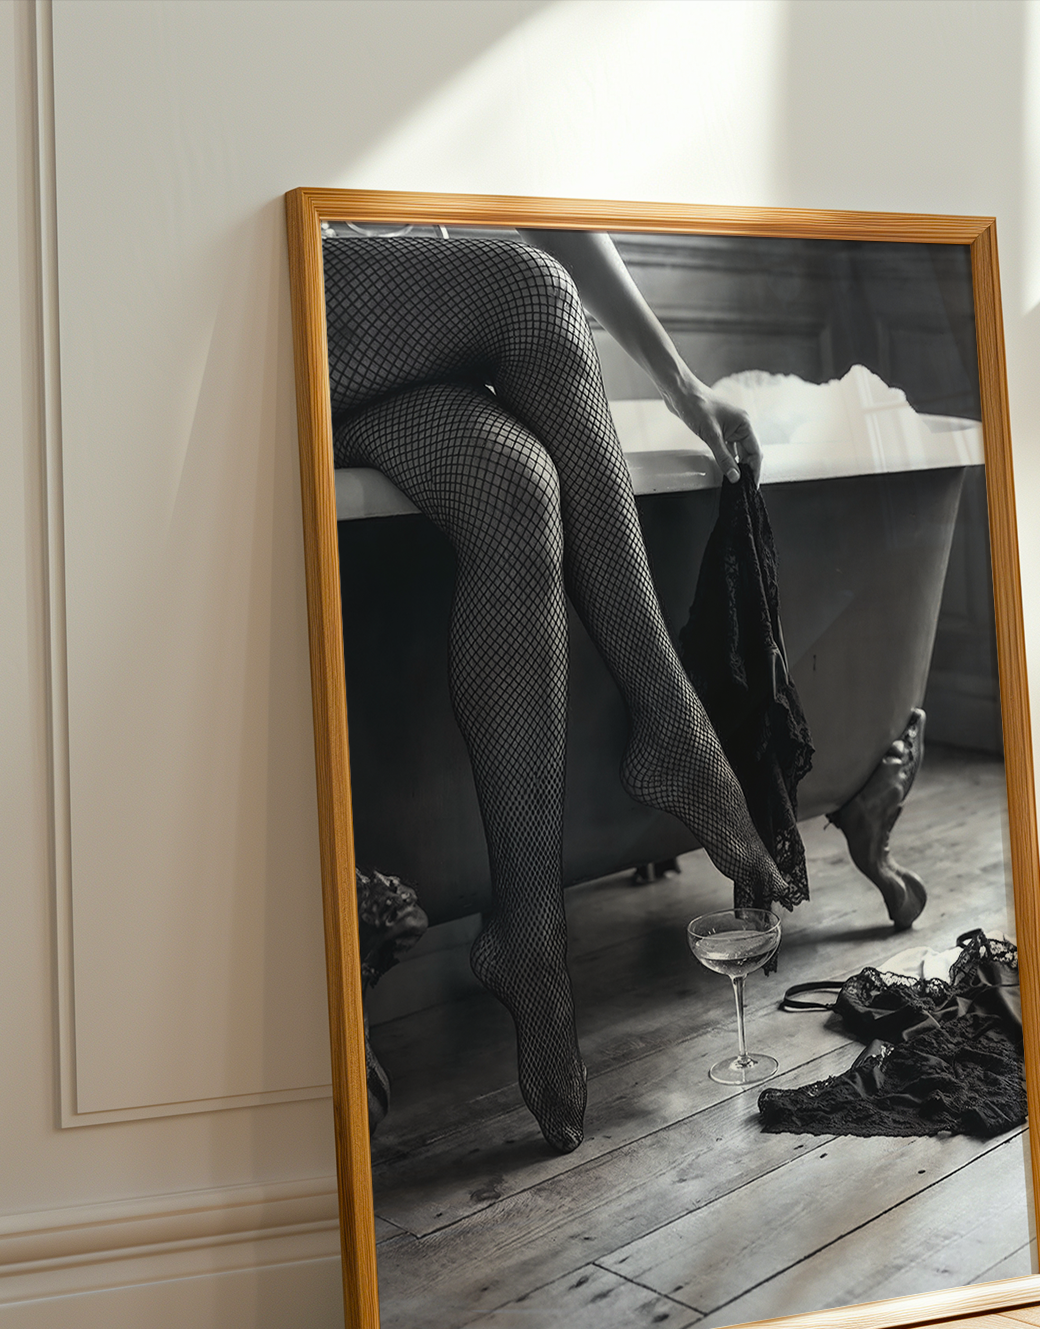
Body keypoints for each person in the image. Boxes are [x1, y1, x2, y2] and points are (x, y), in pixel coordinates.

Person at [323, 226, 790, 1154]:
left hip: (386, 346)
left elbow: (546, 201)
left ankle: (529, 935)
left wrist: (685, 387)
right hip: (260, 301)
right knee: (530, 287)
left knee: (514, 483)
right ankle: (675, 729)